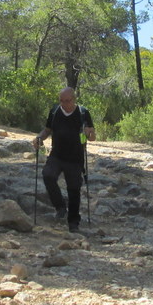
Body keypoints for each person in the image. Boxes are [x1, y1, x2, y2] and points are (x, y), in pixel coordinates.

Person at [32, 87, 96, 233]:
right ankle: (60, 207)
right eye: (61, 100)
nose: (64, 104)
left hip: (75, 158)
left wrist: (89, 133)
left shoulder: (83, 113)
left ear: (74, 99)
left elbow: (92, 137)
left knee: (74, 189)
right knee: (48, 175)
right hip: (57, 155)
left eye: (67, 101)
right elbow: (47, 129)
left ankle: (73, 223)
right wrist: (39, 138)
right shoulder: (55, 111)